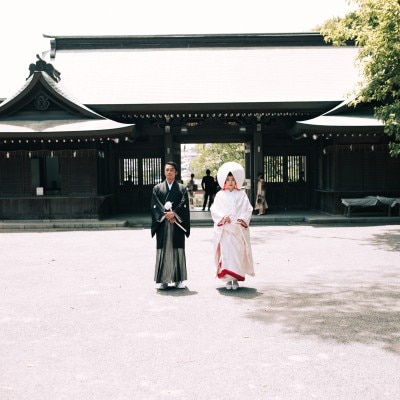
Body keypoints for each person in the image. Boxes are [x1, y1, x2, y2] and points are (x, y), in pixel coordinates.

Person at [210, 161, 254, 290]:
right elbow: (214, 210)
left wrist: (242, 219)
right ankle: (228, 280)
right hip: (225, 230)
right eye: (228, 179)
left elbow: (248, 209)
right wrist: (223, 217)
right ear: (224, 181)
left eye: (232, 179)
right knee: (226, 254)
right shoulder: (219, 195)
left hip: (237, 229)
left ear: (236, 181)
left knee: (238, 254)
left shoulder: (242, 195)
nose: (230, 182)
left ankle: (236, 279)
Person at [151, 161, 191, 290]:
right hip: (163, 223)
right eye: (167, 170)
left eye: (172, 170)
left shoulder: (182, 188)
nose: (169, 172)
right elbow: (154, 205)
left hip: (176, 223)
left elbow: (184, 205)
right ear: (164, 172)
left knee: (177, 249)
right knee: (163, 250)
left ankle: (178, 280)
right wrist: (165, 214)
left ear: (176, 172)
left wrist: (175, 214)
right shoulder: (157, 188)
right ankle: (163, 280)